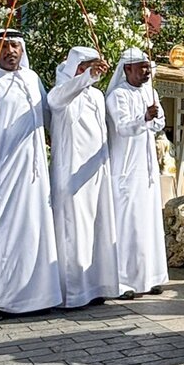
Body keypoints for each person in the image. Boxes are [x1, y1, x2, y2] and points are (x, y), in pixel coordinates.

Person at [0, 29, 62, 320]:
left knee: (32, 232)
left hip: (31, 175)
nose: (11, 51)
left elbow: (48, 117)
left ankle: (37, 297)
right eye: (4, 46)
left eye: (15, 46)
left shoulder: (32, 79)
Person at [47, 46, 118, 308]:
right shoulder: (62, 92)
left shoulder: (97, 96)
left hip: (95, 173)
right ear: (77, 68)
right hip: (71, 174)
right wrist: (86, 77)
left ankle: (95, 287)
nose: (93, 72)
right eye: (87, 66)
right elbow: (56, 100)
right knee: (74, 231)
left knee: (98, 229)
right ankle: (73, 292)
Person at [105, 48, 167, 299]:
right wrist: (144, 118)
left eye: (147, 67)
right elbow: (122, 127)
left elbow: (160, 123)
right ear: (127, 69)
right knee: (128, 226)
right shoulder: (117, 95)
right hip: (126, 171)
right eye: (141, 67)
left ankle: (150, 277)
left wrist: (153, 117)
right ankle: (124, 281)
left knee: (149, 223)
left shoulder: (151, 92)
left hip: (148, 171)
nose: (146, 71)